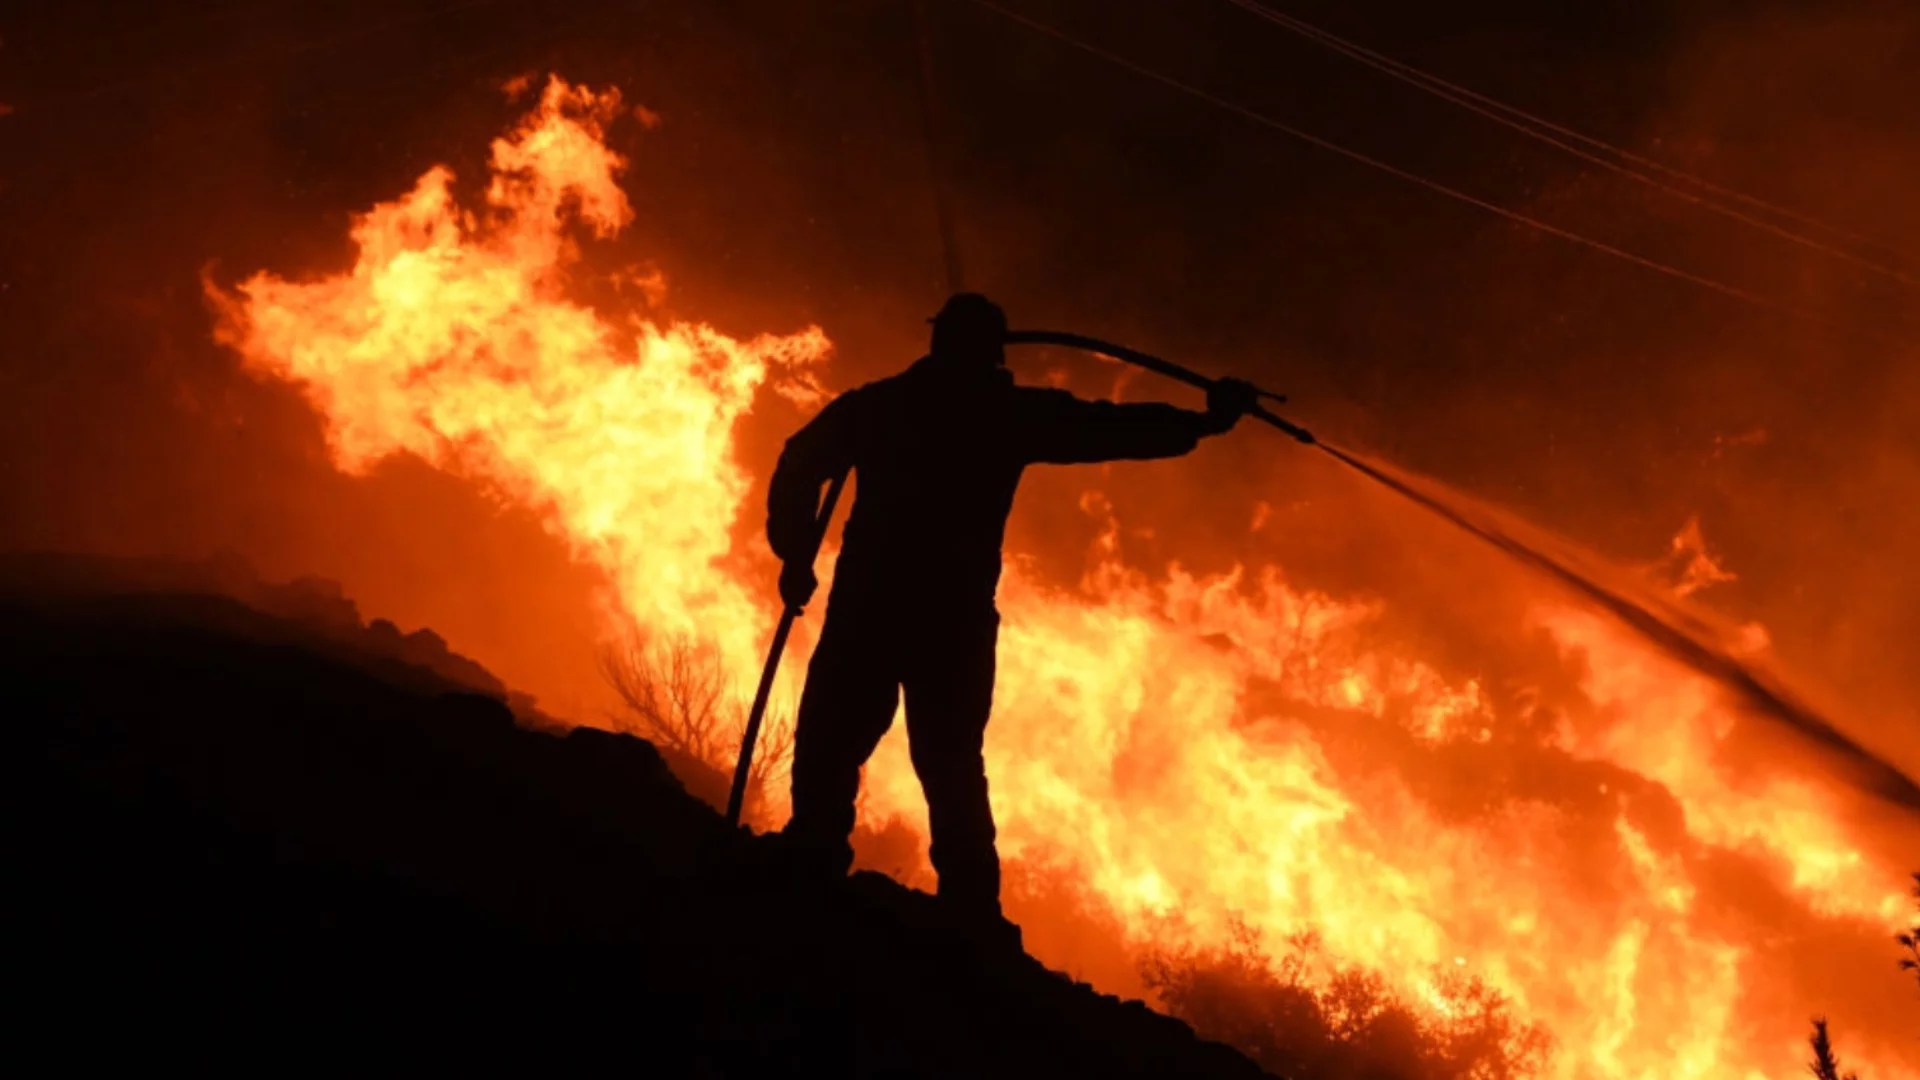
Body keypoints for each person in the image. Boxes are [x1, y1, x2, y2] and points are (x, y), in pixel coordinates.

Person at [766, 294, 1255, 945]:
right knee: (948, 763)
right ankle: (967, 915)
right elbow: (1111, 428)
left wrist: (797, 552)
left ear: (937, 344)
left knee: (837, 742)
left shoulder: (883, 407)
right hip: (951, 622)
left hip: (874, 610)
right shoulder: (1006, 416)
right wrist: (1204, 421)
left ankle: (814, 867)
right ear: (993, 354)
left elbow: (800, 462)